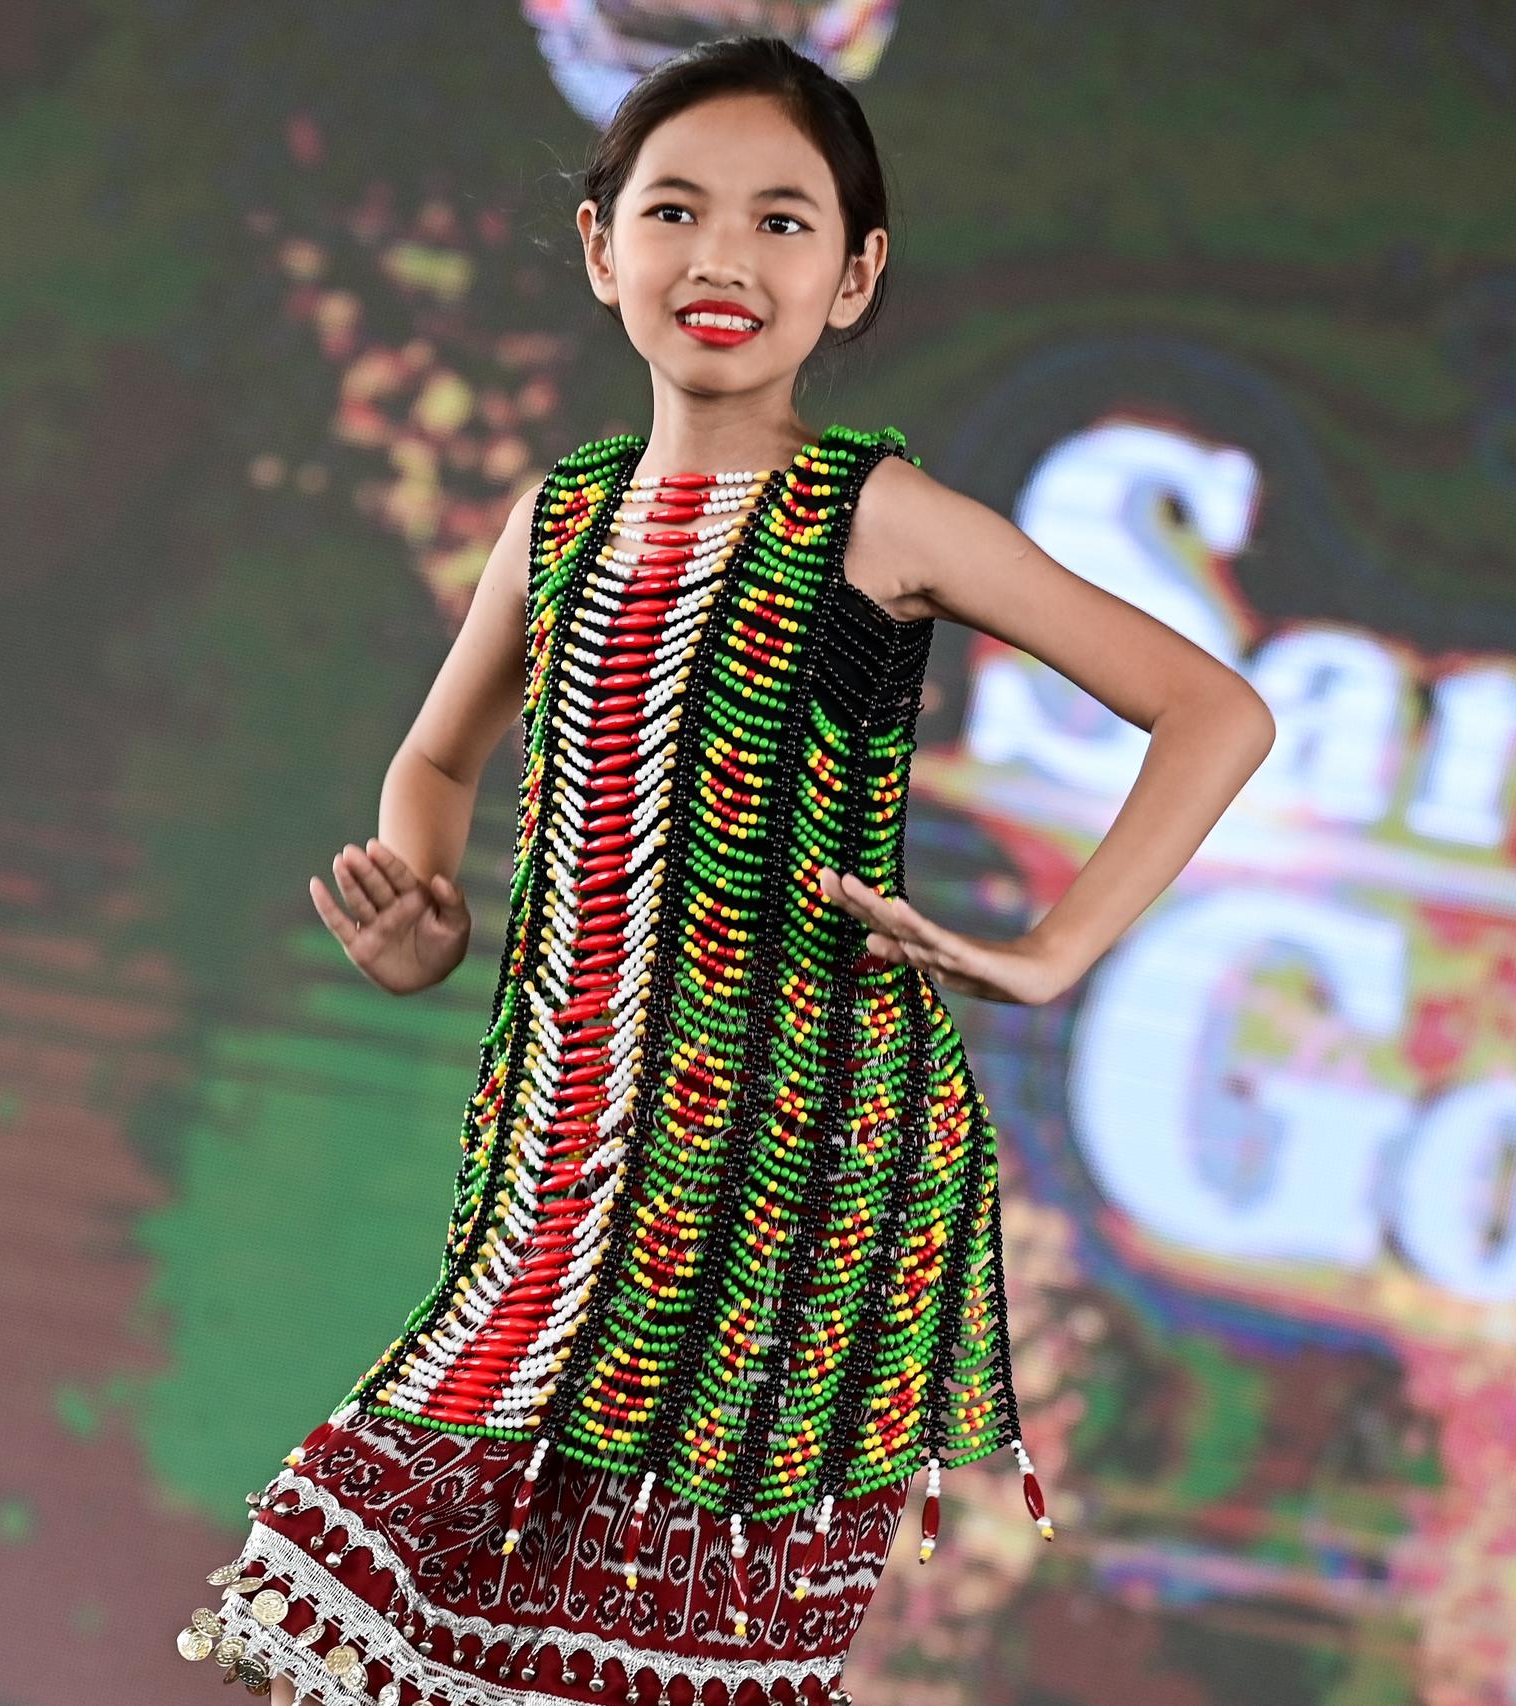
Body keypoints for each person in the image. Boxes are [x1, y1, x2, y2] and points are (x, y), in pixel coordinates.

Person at [175, 33, 1275, 1706]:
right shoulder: (561, 516)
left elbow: (1213, 710)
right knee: (338, 1613)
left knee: (665, 1655)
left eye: (783, 221)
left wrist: (1053, 952)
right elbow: (438, 758)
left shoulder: (878, 514)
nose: (724, 258)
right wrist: (421, 901)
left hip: (799, 1173)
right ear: (600, 245)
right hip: (565, 1151)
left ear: (857, 276)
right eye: (677, 209)